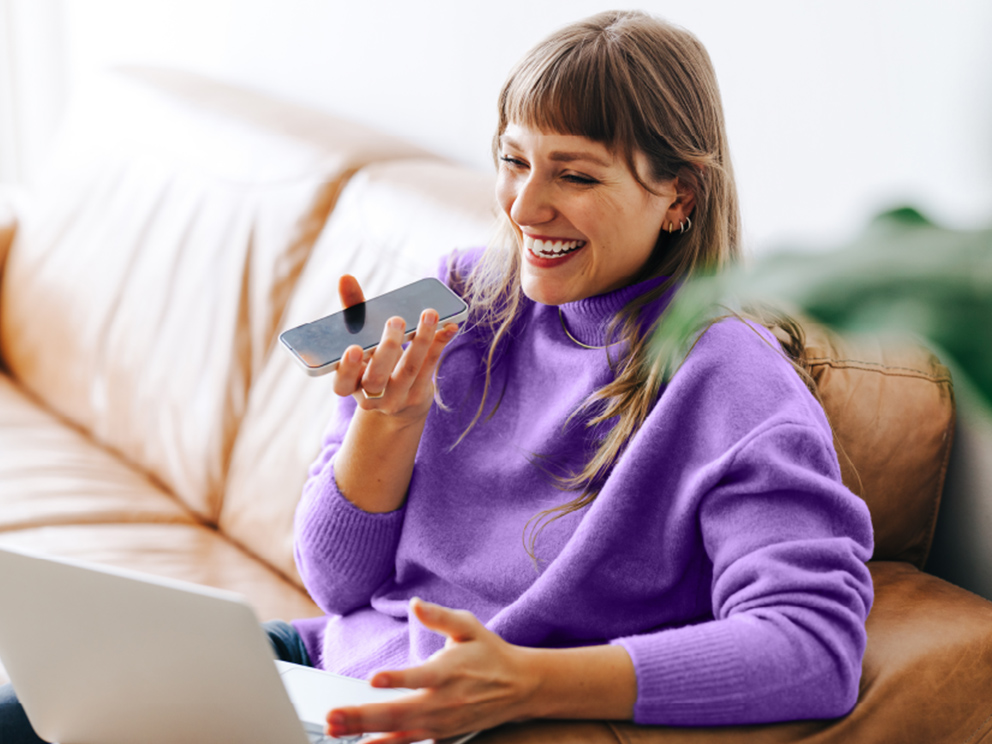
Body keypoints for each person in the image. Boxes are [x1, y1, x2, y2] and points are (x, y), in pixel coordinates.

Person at [0, 10, 873, 744]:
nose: (526, 209)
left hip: (422, 718)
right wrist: (389, 422)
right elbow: (336, 586)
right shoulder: (457, 291)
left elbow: (813, 648)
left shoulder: (733, 384)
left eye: (574, 174)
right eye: (512, 159)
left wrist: (531, 683)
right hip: (317, 666)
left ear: (678, 196)